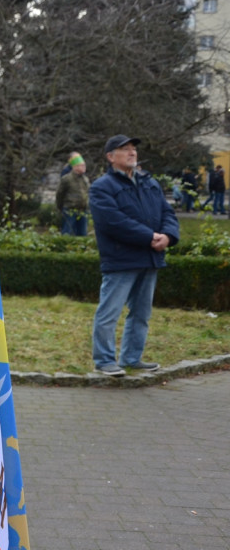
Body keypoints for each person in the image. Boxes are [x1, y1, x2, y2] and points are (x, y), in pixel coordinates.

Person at [89, 134, 179, 377]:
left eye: (133, 149)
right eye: (124, 149)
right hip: (121, 260)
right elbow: (113, 222)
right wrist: (150, 237)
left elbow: (167, 213)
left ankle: (131, 358)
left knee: (141, 314)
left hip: (149, 258)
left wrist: (168, 236)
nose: (132, 153)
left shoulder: (150, 183)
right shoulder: (101, 187)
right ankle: (104, 360)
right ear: (110, 157)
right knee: (109, 313)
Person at [55, 152, 90, 235]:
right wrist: (60, 207)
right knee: (68, 231)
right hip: (70, 209)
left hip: (83, 210)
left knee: (82, 233)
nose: (84, 167)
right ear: (75, 167)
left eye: (84, 165)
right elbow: (60, 194)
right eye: (81, 165)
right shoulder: (66, 179)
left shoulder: (85, 179)